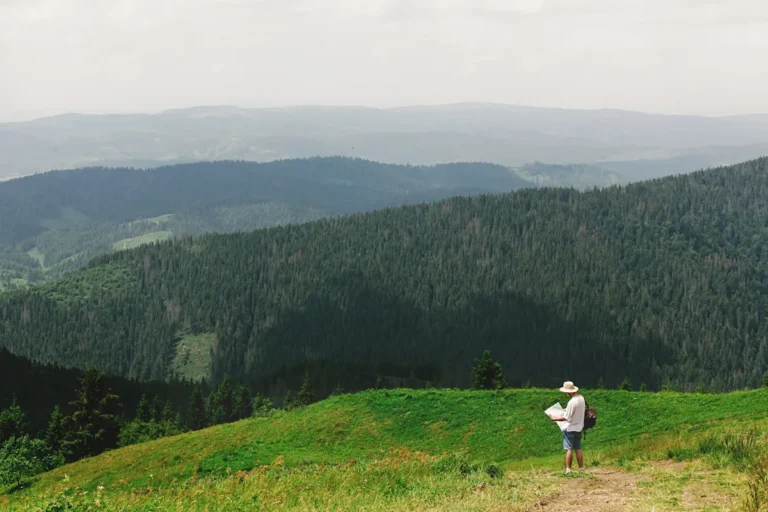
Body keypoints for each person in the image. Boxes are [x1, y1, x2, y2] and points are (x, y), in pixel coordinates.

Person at [550, 381, 585, 474]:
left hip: (570, 428)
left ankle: (568, 469)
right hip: (579, 427)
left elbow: (567, 418)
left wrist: (555, 419)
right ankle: (581, 469)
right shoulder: (581, 398)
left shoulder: (571, 402)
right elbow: (576, 410)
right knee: (578, 448)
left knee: (568, 449)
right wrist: (565, 409)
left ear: (568, 392)